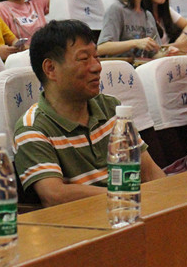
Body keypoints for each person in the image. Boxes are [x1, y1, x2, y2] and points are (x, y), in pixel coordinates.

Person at [14, 19, 165, 206]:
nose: (97, 67)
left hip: (130, 210)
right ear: (50, 69)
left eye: (97, 56)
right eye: (84, 59)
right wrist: (127, 196)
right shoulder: (32, 128)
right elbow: (54, 195)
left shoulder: (110, 107)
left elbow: (149, 172)